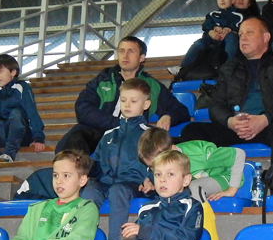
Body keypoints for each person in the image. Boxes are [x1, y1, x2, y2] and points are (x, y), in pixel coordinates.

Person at [177, 17, 273, 162]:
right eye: (240, 35)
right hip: (236, 128)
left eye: (249, 33)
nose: (243, 38)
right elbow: (216, 105)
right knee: (192, 130)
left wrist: (265, 119)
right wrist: (230, 122)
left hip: (271, 124)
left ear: (266, 37)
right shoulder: (229, 68)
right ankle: (204, 174)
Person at [56, 36, 190, 155]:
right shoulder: (103, 80)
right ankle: (73, 172)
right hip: (101, 130)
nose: (125, 56)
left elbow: (181, 111)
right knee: (76, 136)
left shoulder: (152, 85)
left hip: (133, 133)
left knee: (164, 141)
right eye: (121, 51)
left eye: (131, 51)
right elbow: (83, 109)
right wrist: (118, 123)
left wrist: (168, 116)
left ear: (142, 58)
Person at [138, 127, 247, 240]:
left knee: (194, 187)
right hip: (195, 182)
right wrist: (149, 183)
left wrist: (232, 189)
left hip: (223, 176)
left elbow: (239, 154)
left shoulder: (198, 154)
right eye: (152, 168)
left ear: (172, 149)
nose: (154, 170)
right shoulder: (160, 160)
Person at [81, 78, 153, 240]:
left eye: (133, 101)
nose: (127, 105)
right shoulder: (109, 134)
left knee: (117, 190)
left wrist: (151, 178)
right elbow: (97, 164)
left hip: (134, 184)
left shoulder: (150, 134)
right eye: (123, 100)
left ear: (145, 104)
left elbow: (162, 161)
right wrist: (86, 170)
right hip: (107, 182)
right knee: (90, 190)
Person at [0, 53, 45, 163]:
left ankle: (9, 155)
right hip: (0, 132)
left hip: (20, 135)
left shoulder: (22, 87)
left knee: (16, 113)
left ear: (13, 72)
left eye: (0, 71)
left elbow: (32, 113)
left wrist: (38, 138)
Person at [179, 0, 244, 69]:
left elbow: (240, 26)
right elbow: (206, 25)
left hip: (227, 39)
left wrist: (230, 29)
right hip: (212, 39)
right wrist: (212, 30)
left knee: (231, 37)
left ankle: (229, 65)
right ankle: (182, 67)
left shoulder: (239, 15)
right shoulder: (212, 14)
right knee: (199, 43)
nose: (222, 0)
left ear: (233, 0)